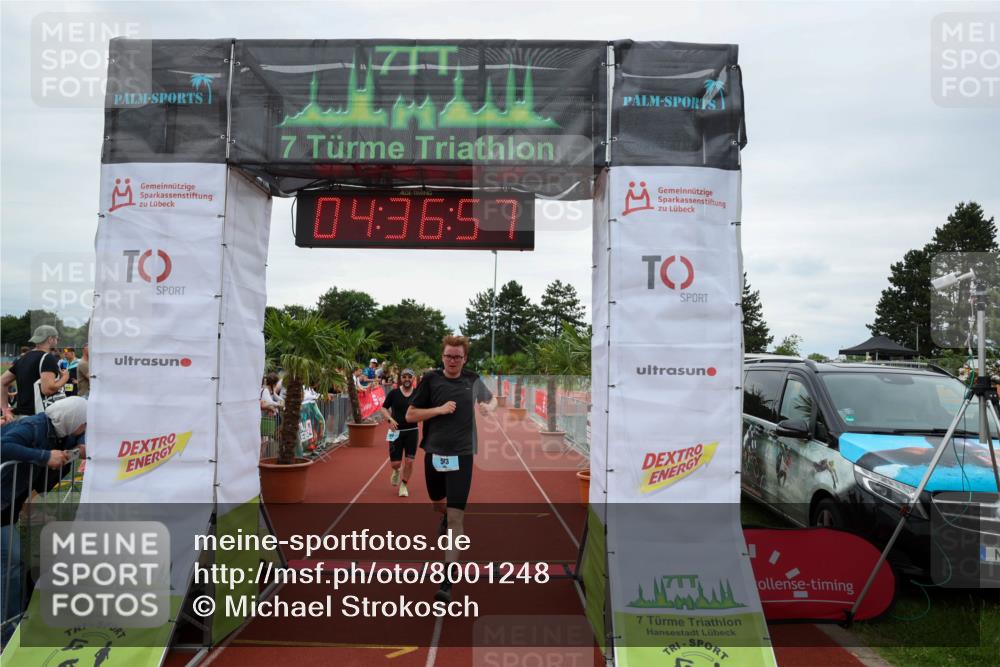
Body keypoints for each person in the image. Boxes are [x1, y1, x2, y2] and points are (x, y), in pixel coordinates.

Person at [406, 335, 496, 602]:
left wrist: (487, 407)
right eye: (449, 356)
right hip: (434, 452)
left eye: (458, 357)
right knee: (437, 503)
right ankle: (442, 514)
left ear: (465, 358)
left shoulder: (472, 379)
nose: (453, 361)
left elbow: (492, 400)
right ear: (442, 357)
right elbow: (411, 415)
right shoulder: (431, 380)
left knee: (458, 518)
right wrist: (439, 409)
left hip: (463, 454)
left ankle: (447, 579)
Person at [1, 396, 87, 646]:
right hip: (4, 504)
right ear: (73, 420)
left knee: (11, 561)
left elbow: (73, 449)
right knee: (12, 560)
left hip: (8, 506)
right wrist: (43, 456)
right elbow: (3, 445)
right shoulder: (34, 427)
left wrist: (72, 454)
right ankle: (8, 630)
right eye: (84, 424)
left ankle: (12, 623)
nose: (84, 430)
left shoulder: (58, 433)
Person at [0, 325, 69, 420]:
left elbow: (2, 381)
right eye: (56, 339)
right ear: (50, 339)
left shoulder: (23, 358)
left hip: (22, 416)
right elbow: (48, 390)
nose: (57, 342)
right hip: (39, 418)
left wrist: (4, 409)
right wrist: (65, 378)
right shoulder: (48, 358)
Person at [381, 369, 419, 498]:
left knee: (409, 461)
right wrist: (389, 419)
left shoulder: (418, 394)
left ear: (413, 378)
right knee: (395, 463)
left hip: (412, 431)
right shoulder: (394, 393)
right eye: (404, 377)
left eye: (409, 377)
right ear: (400, 379)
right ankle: (396, 470)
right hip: (395, 431)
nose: (407, 379)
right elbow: (383, 408)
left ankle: (404, 485)